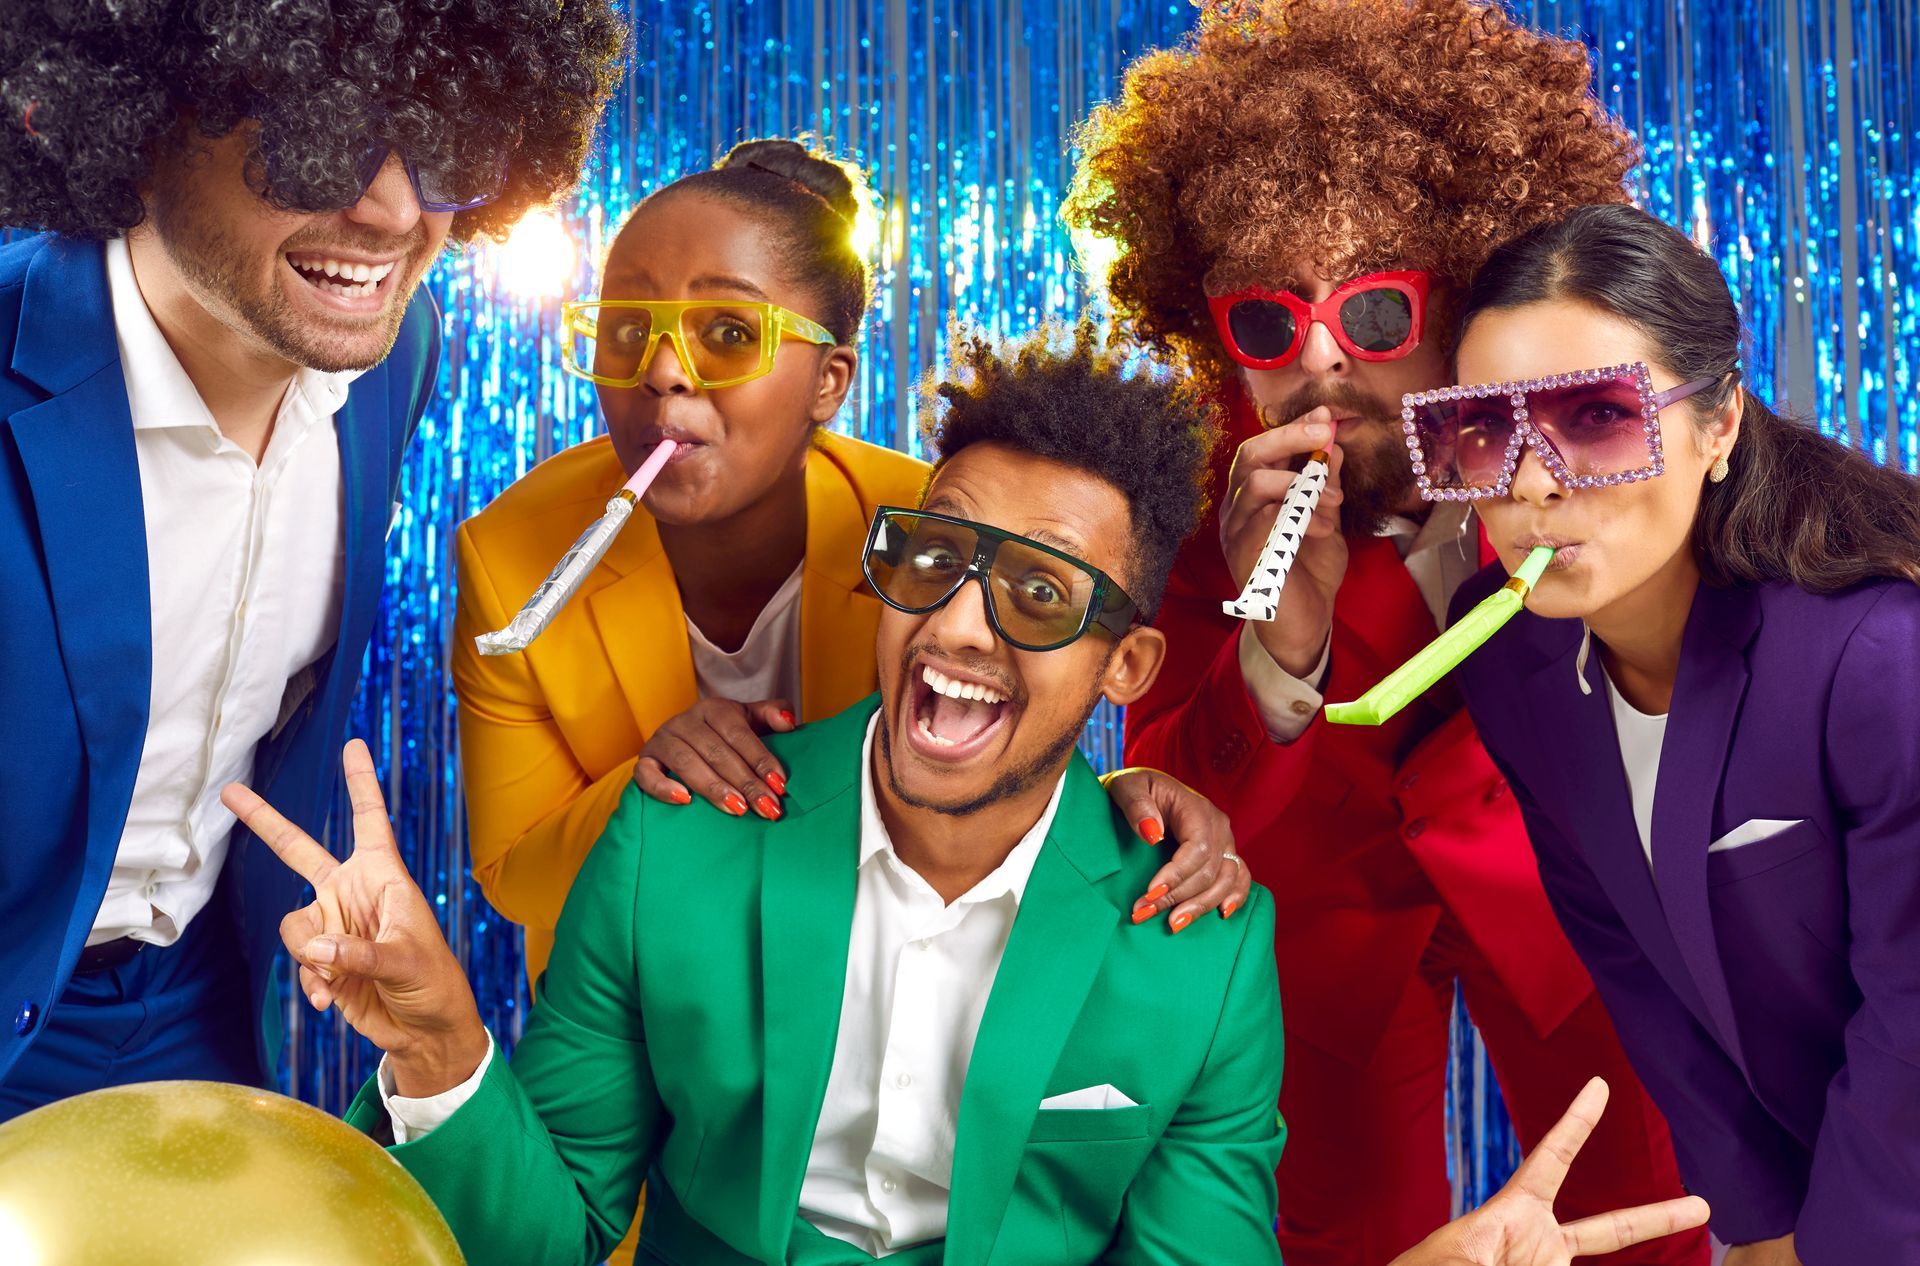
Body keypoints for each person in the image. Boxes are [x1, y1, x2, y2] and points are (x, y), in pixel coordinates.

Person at [225, 329, 1710, 1266]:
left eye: (1041, 595)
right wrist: (435, 1045)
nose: (957, 628)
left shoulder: (1187, 939)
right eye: (930, 561)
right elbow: (532, 1243)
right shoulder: (677, 844)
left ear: (1130, 659)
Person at [1062, 2, 1704, 1260]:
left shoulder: (1577, 463)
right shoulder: (1202, 529)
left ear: (1463, 292)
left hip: (1565, 906)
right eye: (1265, 320)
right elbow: (1177, 811)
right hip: (1327, 942)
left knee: (1643, 1218)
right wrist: (1276, 644)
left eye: (1373, 315)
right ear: (1214, 338)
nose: (1318, 364)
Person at [0, 0, 625, 1117]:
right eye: (317, 145)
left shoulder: (390, 354)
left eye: (440, 146)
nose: (391, 214)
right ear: (133, 123)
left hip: (196, 1002)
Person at [455, 140, 1249, 1007]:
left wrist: (1119, 811)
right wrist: (656, 783)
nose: (662, 373)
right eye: (626, 329)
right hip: (628, 1000)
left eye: (728, 334)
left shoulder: (929, 536)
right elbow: (513, 875)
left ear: (829, 382)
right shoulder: (512, 563)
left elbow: (995, 749)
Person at [1439, 202, 1920, 1266]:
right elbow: (1635, 965)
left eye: (1598, 418)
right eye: (1484, 428)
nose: (1529, 480)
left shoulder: (1882, 661)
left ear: (1719, 427)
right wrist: (1755, 1231)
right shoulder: (1508, 663)